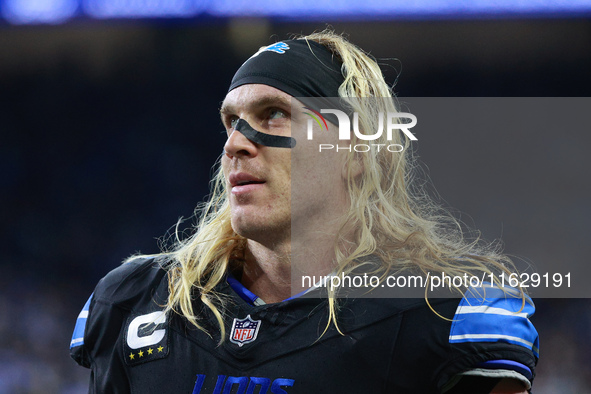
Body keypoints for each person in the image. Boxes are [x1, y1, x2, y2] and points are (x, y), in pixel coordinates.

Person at [70, 30, 539, 393]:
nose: (235, 144)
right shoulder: (133, 302)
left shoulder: (445, 313)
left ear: (356, 150)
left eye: (274, 114)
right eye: (232, 122)